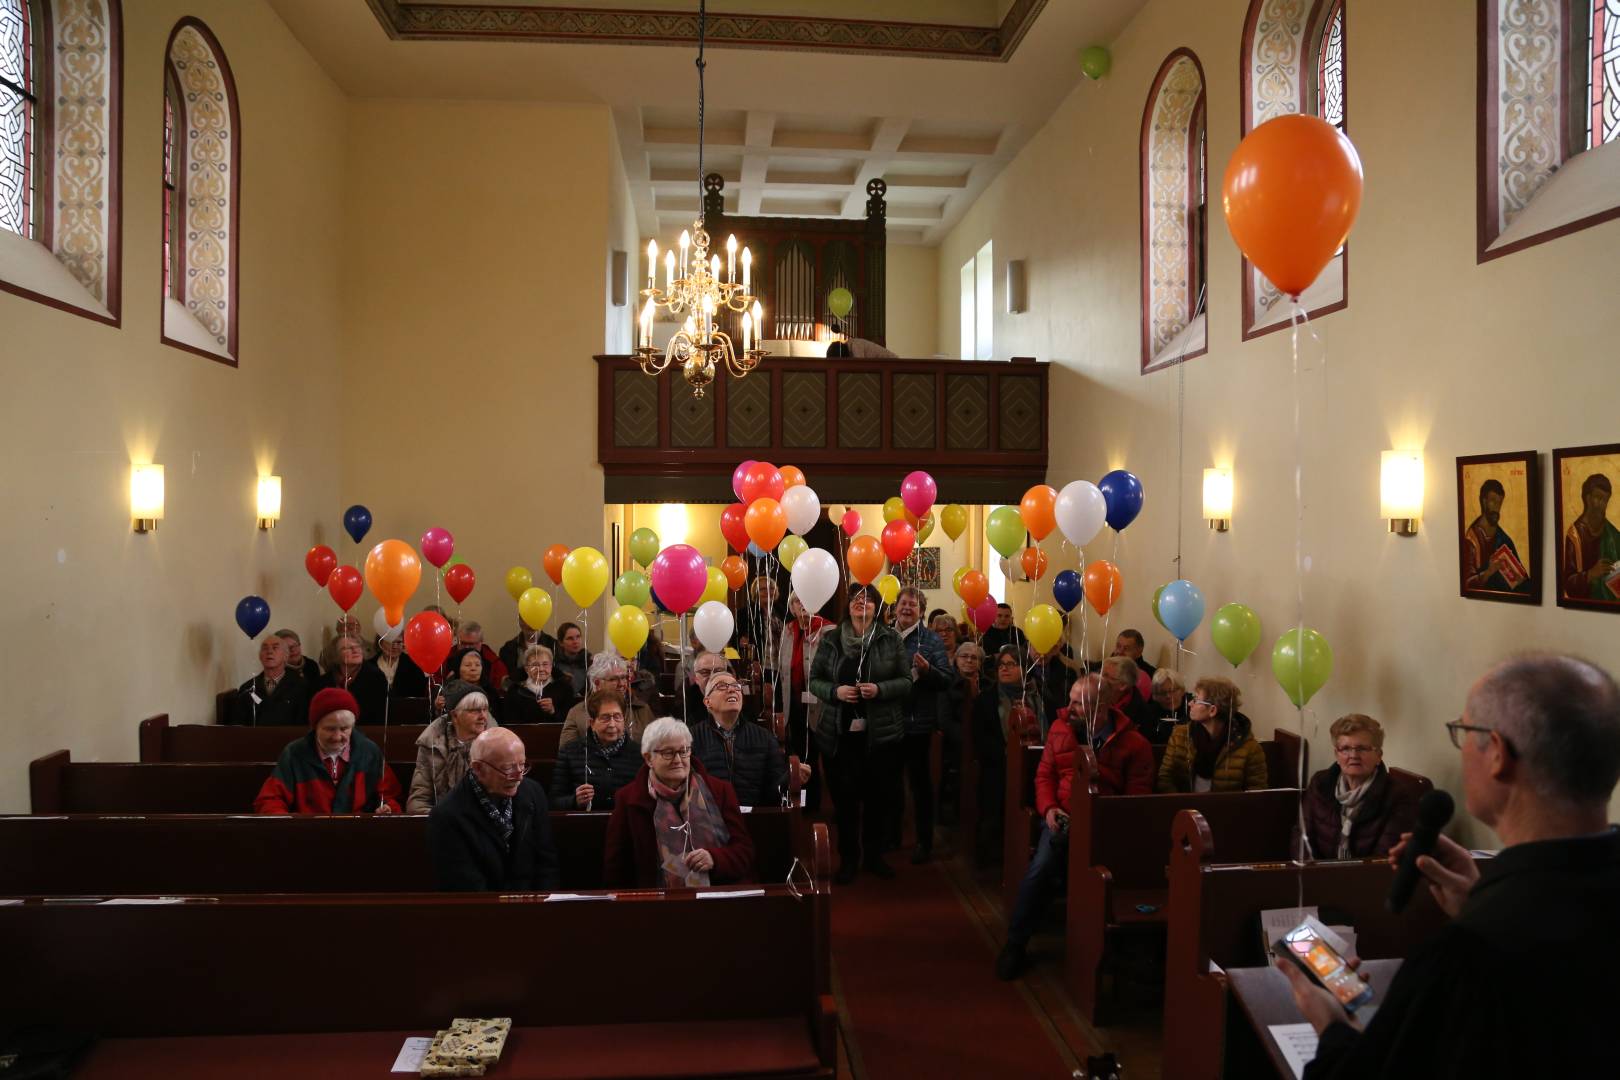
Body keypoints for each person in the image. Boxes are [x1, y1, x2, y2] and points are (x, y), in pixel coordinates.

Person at [1278, 654, 1620, 1078]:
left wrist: (1331, 1022)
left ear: (1496, 753)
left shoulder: (1464, 956)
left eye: (1464, 731)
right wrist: (1480, 901)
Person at [995, 673, 1152, 980]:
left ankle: (1113, 955)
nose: (1069, 708)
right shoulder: (1059, 728)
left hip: (1107, 826)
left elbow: (1136, 798)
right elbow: (1044, 777)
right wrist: (1049, 809)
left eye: (1079, 703)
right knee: (1041, 867)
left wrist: (1102, 820)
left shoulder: (1135, 744)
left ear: (1104, 705)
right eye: (1070, 699)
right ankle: (1016, 943)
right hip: (1062, 818)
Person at [809, 583, 910, 884]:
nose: (860, 603)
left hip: (880, 737)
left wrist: (880, 689)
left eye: (868, 599)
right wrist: (835, 691)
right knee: (845, 802)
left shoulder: (890, 639)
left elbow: (906, 681)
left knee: (878, 800)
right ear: (847, 606)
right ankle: (849, 859)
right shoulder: (831, 639)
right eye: (855, 599)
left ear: (877, 607)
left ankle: (874, 856)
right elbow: (815, 681)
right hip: (840, 737)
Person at [603, 716, 756, 888]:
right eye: (668, 753)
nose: (678, 760)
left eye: (684, 751)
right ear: (648, 758)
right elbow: (616, 866)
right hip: (657, 904)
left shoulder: (720, 791)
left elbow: (744, 851)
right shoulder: (628, 798)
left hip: (718, 895)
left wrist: (715, 858)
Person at [427, 726, 559, 891]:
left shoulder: (533, 792)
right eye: (508, 768)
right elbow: (465, 886)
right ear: (478, 769)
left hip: (534, 904)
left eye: (522, 765)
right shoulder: (447, 816)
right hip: (483, 910)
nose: (519, 777)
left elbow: (546, 863)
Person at [253, 688, 402, 813]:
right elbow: (270, 800)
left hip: (358, 835)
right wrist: (287, 824)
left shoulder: (369, 752)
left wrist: (389, 808)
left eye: (344, 729)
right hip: (308, 837)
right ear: (315, 727)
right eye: (330, 729)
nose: (337, 737)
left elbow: (391, 796)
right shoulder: (294, 754)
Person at [1299, 714, 1419, 860]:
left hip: (1368, 879)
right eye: (1345, 748)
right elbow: (1301, 835)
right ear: (1336, 755)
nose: (1353, 755)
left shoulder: (1397, 796)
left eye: (1362, 748)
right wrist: (1310, 873)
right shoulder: (1320, 783)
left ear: (1378, 755)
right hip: (1317, 876)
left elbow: (1384, 858)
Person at [689, 671, 807, 808]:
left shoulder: (764, 737)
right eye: (721, 686)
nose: (732, 689)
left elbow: (775, 789)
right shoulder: (691, 737)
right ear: (707, 702)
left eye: (736, 686)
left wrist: (792, 778)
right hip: (709, 818)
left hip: (755, 819)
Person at [894, 586, 951, 863]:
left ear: (921, 611)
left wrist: (928, 671)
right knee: (889, 784)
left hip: (918, 725)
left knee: (920, 786)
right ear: (895, 608)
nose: (907, 608)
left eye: (913, 605)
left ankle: (924, 842)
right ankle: (891, 837)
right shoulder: (882, 637)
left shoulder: (931, 641)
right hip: (887, 724)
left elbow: (946, 678)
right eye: (903, 603)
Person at [970, 645, 1038, 865]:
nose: (1004, 669)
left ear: (1025, 669)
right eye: (1001, 665)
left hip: (1035, 765)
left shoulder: (1040, 697)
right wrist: (1009, 757)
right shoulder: (986, 700)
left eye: (1012, 664)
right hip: (998, 766)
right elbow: (980, 739)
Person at [1156, 676, 1269, 792]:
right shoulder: (1179, 735)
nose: (1190, 703)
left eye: (1195, 700)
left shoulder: (1250, 748)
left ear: (1212, 710)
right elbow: (1165, 778)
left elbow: (1256, 791)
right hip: (1184, 808)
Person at [777, 591, 832, 813]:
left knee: (817, 756)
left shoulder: (828, 630)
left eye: (805, 599)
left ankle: (815, 805)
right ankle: (802, 804)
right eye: (797, 601)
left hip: (819, 706)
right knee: (798, 756)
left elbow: (830, 670)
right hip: (794, 703)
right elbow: (783, 665)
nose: (801, 604)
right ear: (791, 606)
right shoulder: (788, 629)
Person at [406, 680, 495, 814]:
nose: (483, 716)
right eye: (474, 710)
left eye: (485, 709)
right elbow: (418, 800)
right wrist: (443, 820)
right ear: (454, 715)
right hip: (442, 822)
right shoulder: (432, 743)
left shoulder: (496, 744)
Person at [548, 689, 641, 812]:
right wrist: (574, 801)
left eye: (617, 717)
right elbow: (553, 802)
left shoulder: (639, 754)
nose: (612, 724)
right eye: (605, 718)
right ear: (592, 723)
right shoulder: (570, 752)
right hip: (585, 825)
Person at [559, 653, 651, 750]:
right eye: (614, 679)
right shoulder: (577, 712)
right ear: (597, 683)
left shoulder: (642, 709)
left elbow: (654, 747)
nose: (621, 684)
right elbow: (567, 751)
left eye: (623, 677)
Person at [1463, 478, 1530, 594]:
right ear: (1484, 502)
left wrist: (1521, 580)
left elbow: (1522, 580)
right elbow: (1466, 583)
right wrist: (1488, 572)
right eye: (1493, 501)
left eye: (1499, 503)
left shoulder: (1503, 539)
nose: (1496, 508)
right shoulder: (1472, 540)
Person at [1561, 472, 1620, 600]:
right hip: (1586, 606)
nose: (1602, 504)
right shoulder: (1575, 535)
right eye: (1598, 498)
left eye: (1605, 500)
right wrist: (1590, 575)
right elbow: (1568, 584)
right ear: (1587, 498)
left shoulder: (1613, 534)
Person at [229, 634, 311, 726]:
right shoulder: (247, 688)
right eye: (265, 648)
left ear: (286, 656)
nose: (269, 652)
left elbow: (303, 725)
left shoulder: (300, 686)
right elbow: (237, 726)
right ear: (260, 656)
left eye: (275, 648)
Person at [323, 634, 389, 726]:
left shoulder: (376, 677)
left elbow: (378, 716)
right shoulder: (325, 681)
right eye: (347, 648)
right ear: (335, 654)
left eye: (357, 646)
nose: (355, 650)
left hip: (366, 732)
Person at [504, 643, 576, 724]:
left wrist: (553, 711)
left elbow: (571, 723)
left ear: (551, 666)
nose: (541, 669)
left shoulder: (564, 688)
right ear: (527, 668)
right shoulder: (515, 690)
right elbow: (510, 722)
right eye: (535, 665)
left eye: (545, 664)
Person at [442, 621, 509, 689]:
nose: (466, 648)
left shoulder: (494, 663)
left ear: (481, 642)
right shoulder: (446, 658)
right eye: (463, 643)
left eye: (471, 644)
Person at [367, 631, 428, 701]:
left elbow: (419, 695)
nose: (395, 646)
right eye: (390, 642)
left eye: (399, 642)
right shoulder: (369, 665)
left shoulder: (413, 665)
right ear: (380, 643)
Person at [498, 617, 556, 689]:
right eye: (526, 619)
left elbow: (555, 672)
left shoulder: (553, 645)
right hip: (518, 693)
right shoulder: (508, 648)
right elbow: (509, 677)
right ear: (520, 622)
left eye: (534, 619)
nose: (530, 624)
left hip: (548, 691)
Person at [682, 650, 732, 722]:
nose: (712, 676)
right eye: (705, 672)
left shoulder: (735, 697)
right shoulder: (685, 701)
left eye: (718, 671)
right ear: (696, 678)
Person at [1143, 667, 1188, 743]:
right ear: (1155, 696)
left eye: (1172, 691)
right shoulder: (1149, 714)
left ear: (1182, 690)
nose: (1168, 696)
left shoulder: (1192, 710)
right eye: (1162, 693)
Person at [553, 621, 591, 698]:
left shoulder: (589, 662)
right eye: (570, 638)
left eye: (578, 637)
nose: (575, 641)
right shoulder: (554, 663)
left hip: (583, 703)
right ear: (561, 643)